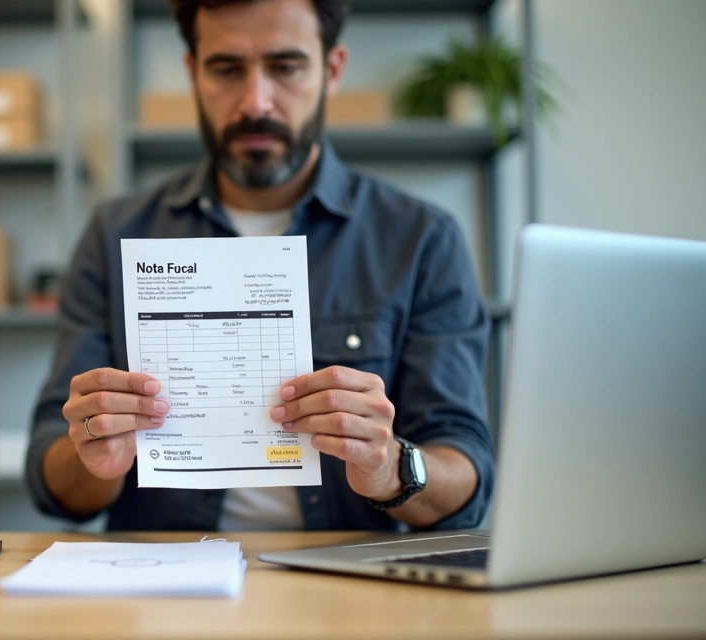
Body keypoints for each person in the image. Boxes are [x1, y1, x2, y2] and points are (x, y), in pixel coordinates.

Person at [25, 0, 494, 532]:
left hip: (343, 586)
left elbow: (468, 471)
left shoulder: (421, 240)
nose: (255, 101)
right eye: (226, 69)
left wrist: (390, 467)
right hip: (165, 588)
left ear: (332, 69)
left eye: (285, 67)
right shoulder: (115, 234)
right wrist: (95, 463)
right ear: (192, 72)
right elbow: (51, 477)